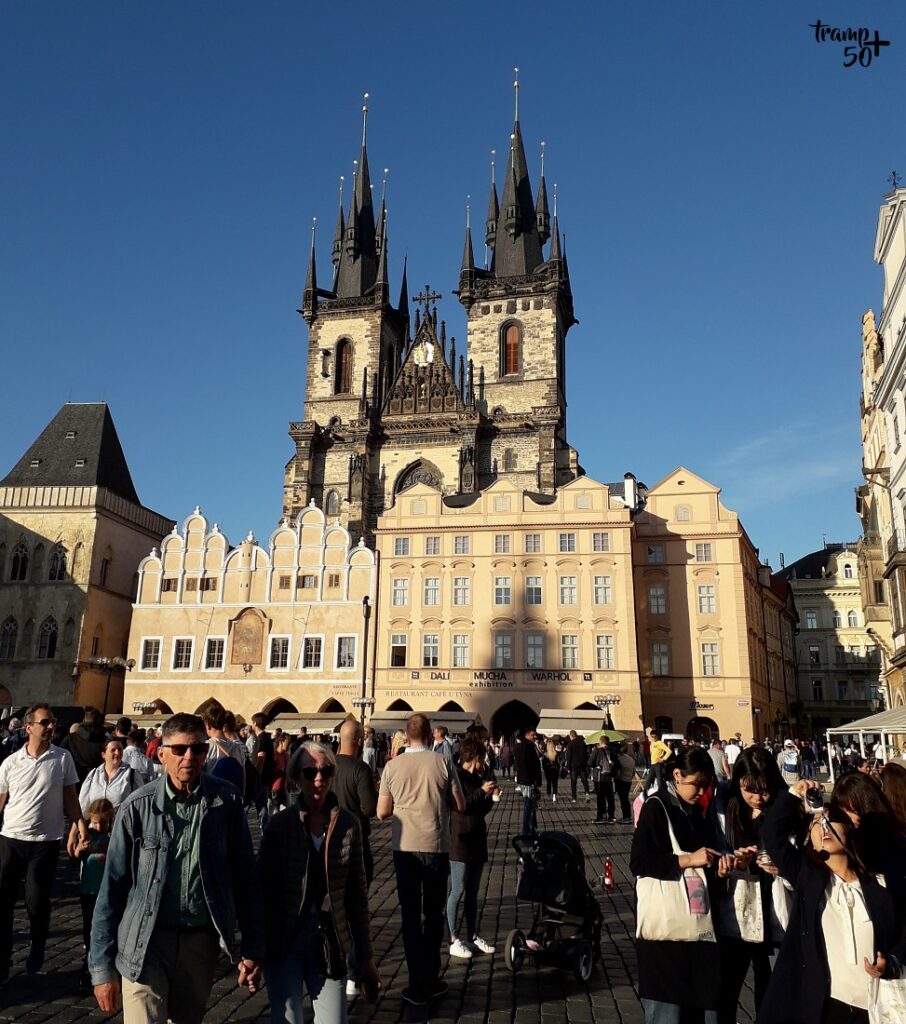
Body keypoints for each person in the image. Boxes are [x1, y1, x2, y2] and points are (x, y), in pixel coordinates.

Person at [89, 712, 265, 1022]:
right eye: (179, 750)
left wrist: (252, 947)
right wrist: (101, 968)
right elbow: (112, 889)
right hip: (146, 940)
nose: (189, 757)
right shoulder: (137, 806)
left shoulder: (226, 801)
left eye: (197, 749)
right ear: (160, 754)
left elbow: (245, 878)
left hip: (199, 943)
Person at [758, 779, 906, 1024]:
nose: (823, 827)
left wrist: (889, 963)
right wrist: (794, 793)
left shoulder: (877, 884)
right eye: (816, 823)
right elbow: (773, 835)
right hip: (826, 1005)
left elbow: (902, 934)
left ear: (848, 828)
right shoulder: (809, 879)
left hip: (876, 1007)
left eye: (830, 820)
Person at [259, 741, 380, 1023]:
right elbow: (261, 891)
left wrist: (366, 956)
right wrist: (254, 949)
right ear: (295, 777)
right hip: (285, 943)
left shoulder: (349, 825)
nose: (318, 779)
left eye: (325, 771)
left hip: (330, 942)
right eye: (309, 772)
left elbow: (356, 896)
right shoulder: (279, 826)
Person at [377, 714, 465, 1008]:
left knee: (411, 916)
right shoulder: (442, 762)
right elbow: (460, 804)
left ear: (405, 735)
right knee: (434, 913)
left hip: (404, 848)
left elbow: (381, 812)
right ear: (429, 734)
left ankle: (415, 982)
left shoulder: (392, 766)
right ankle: (432, 978)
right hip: (436, 845)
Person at [630, 746, 721, 1024]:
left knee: (700, 1010)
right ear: (677, 775)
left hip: (697, 926)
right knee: (667, 1013)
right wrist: (688, 859)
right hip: (666, 934)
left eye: (707, 785)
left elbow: (706, 855)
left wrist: (724, 863)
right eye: (698, 784)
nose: (702, 791)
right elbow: (640, 862)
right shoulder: (656, 807)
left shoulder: (696, 810)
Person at [0, 703, 88, 981]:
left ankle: (37, 943)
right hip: (11, 839)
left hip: (46, 841)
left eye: (52, 722)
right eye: (45, 722)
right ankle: (2, 960)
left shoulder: (62, 759)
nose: (51, 727)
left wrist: (80, 824)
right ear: (28, 728)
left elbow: (70, 799)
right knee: (3, 903)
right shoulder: (10, 763)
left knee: (36, 901)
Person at [712, 747, 787, 1024]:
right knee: (727, 988)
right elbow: (716, 849)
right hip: (738, 908)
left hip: (776, 909)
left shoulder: (784, 807)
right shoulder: (724, 806)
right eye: (749, 790)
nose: (757, 798)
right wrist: (730, 860)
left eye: (764, 791)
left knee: (772, 991)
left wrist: (783, 867)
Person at [333, 719, 378, 998]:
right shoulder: (360, 768)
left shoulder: (326, 765)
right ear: (360, 741)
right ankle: (352, 975)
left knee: (333, 908)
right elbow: (370, 808)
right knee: (354, 910)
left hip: (327, 845)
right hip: (357, 845)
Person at [446, 736, 498, 960]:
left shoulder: (477, 776)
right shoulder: (456, 775)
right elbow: (462, 806)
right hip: (459, 839)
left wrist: (491, 798)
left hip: (477, 837)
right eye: (482, 757)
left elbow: (478, 810)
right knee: (457, 890)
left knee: (474, 891)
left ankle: (472, 935)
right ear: (474, 756)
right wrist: (481, 791)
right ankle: (453, 938)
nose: (484, 761)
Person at [72, 797, 114, 992]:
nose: (98, 827)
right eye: (94, 822)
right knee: (89, 927)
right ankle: (90, 962)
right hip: (88, 889)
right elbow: (75, 855)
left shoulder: (113, 836)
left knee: (107, 927)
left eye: (102, 823)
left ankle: (107, 964)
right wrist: (80, 848)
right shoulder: (87, 835)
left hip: (107, 890)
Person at [60, 707, 106, 784]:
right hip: (98, 778)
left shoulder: (71, 738)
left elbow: (60, 754)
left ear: (84, 719)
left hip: (75, 777)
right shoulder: (104, 739)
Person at [514, 727, 542, 835]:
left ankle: (532, 828)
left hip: (525, 780)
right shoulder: (528, 747)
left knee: (531, 805)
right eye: (533, 735)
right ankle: (527, 830)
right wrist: (533, 781)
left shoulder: (525, 746)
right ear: (527, 735)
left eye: (535, 735)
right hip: (528, 781)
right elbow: (528, 765)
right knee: (529, 805)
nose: (535, 736)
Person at [250, 712, 276, 828]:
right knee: (262, 804)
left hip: (261, 778)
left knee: (260, 805)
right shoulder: (266, 737)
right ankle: (266, 829)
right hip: (266, 777)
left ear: (255, 723)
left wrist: (256, 775)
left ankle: (265, 830)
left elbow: (261, 758)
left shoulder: (261, 738)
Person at [592, 737, 615, 824]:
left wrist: (596, 766)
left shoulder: (597, 751)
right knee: (610, 797)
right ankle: (611, 816)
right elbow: (617, 765)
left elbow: (590, 762)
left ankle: (601, 816)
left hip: (600, 777)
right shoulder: (612, 751)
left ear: (600, 742)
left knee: (600, 797)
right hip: (610, 778)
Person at [614, 743, 636, 823]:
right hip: (629, 781)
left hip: (622, 780)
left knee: (623, 800)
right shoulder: (630, 759)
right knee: (625, 799)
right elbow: (634, 772)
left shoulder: (619, 759)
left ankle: (626, 817)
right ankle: (627, 816)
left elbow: (617, 772)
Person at [566, 730, 590, 802]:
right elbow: (586, 754)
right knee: (584, 780)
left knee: (573, 782)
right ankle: (587, 793)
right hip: (582, 765)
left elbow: (569, 756)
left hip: (573, 765)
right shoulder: (583, 742)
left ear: (571, 736)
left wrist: (568, 767)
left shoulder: (570, 744)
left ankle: (574, 798)